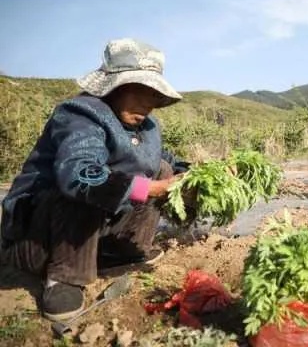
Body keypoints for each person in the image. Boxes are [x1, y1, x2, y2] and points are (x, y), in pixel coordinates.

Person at [0, 38, 190, 321]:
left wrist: (193, 174)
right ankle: (64, 276)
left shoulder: (147, 126)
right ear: (114, 87)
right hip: (39, 238)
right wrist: (153, 189)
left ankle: (120, 250)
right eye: (139, 91)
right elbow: (78, 173)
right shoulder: (81, 114)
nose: (147, 104)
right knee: (88, 184)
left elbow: (168, 161)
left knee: (163, 169)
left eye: (153, 95)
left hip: (91, 231)